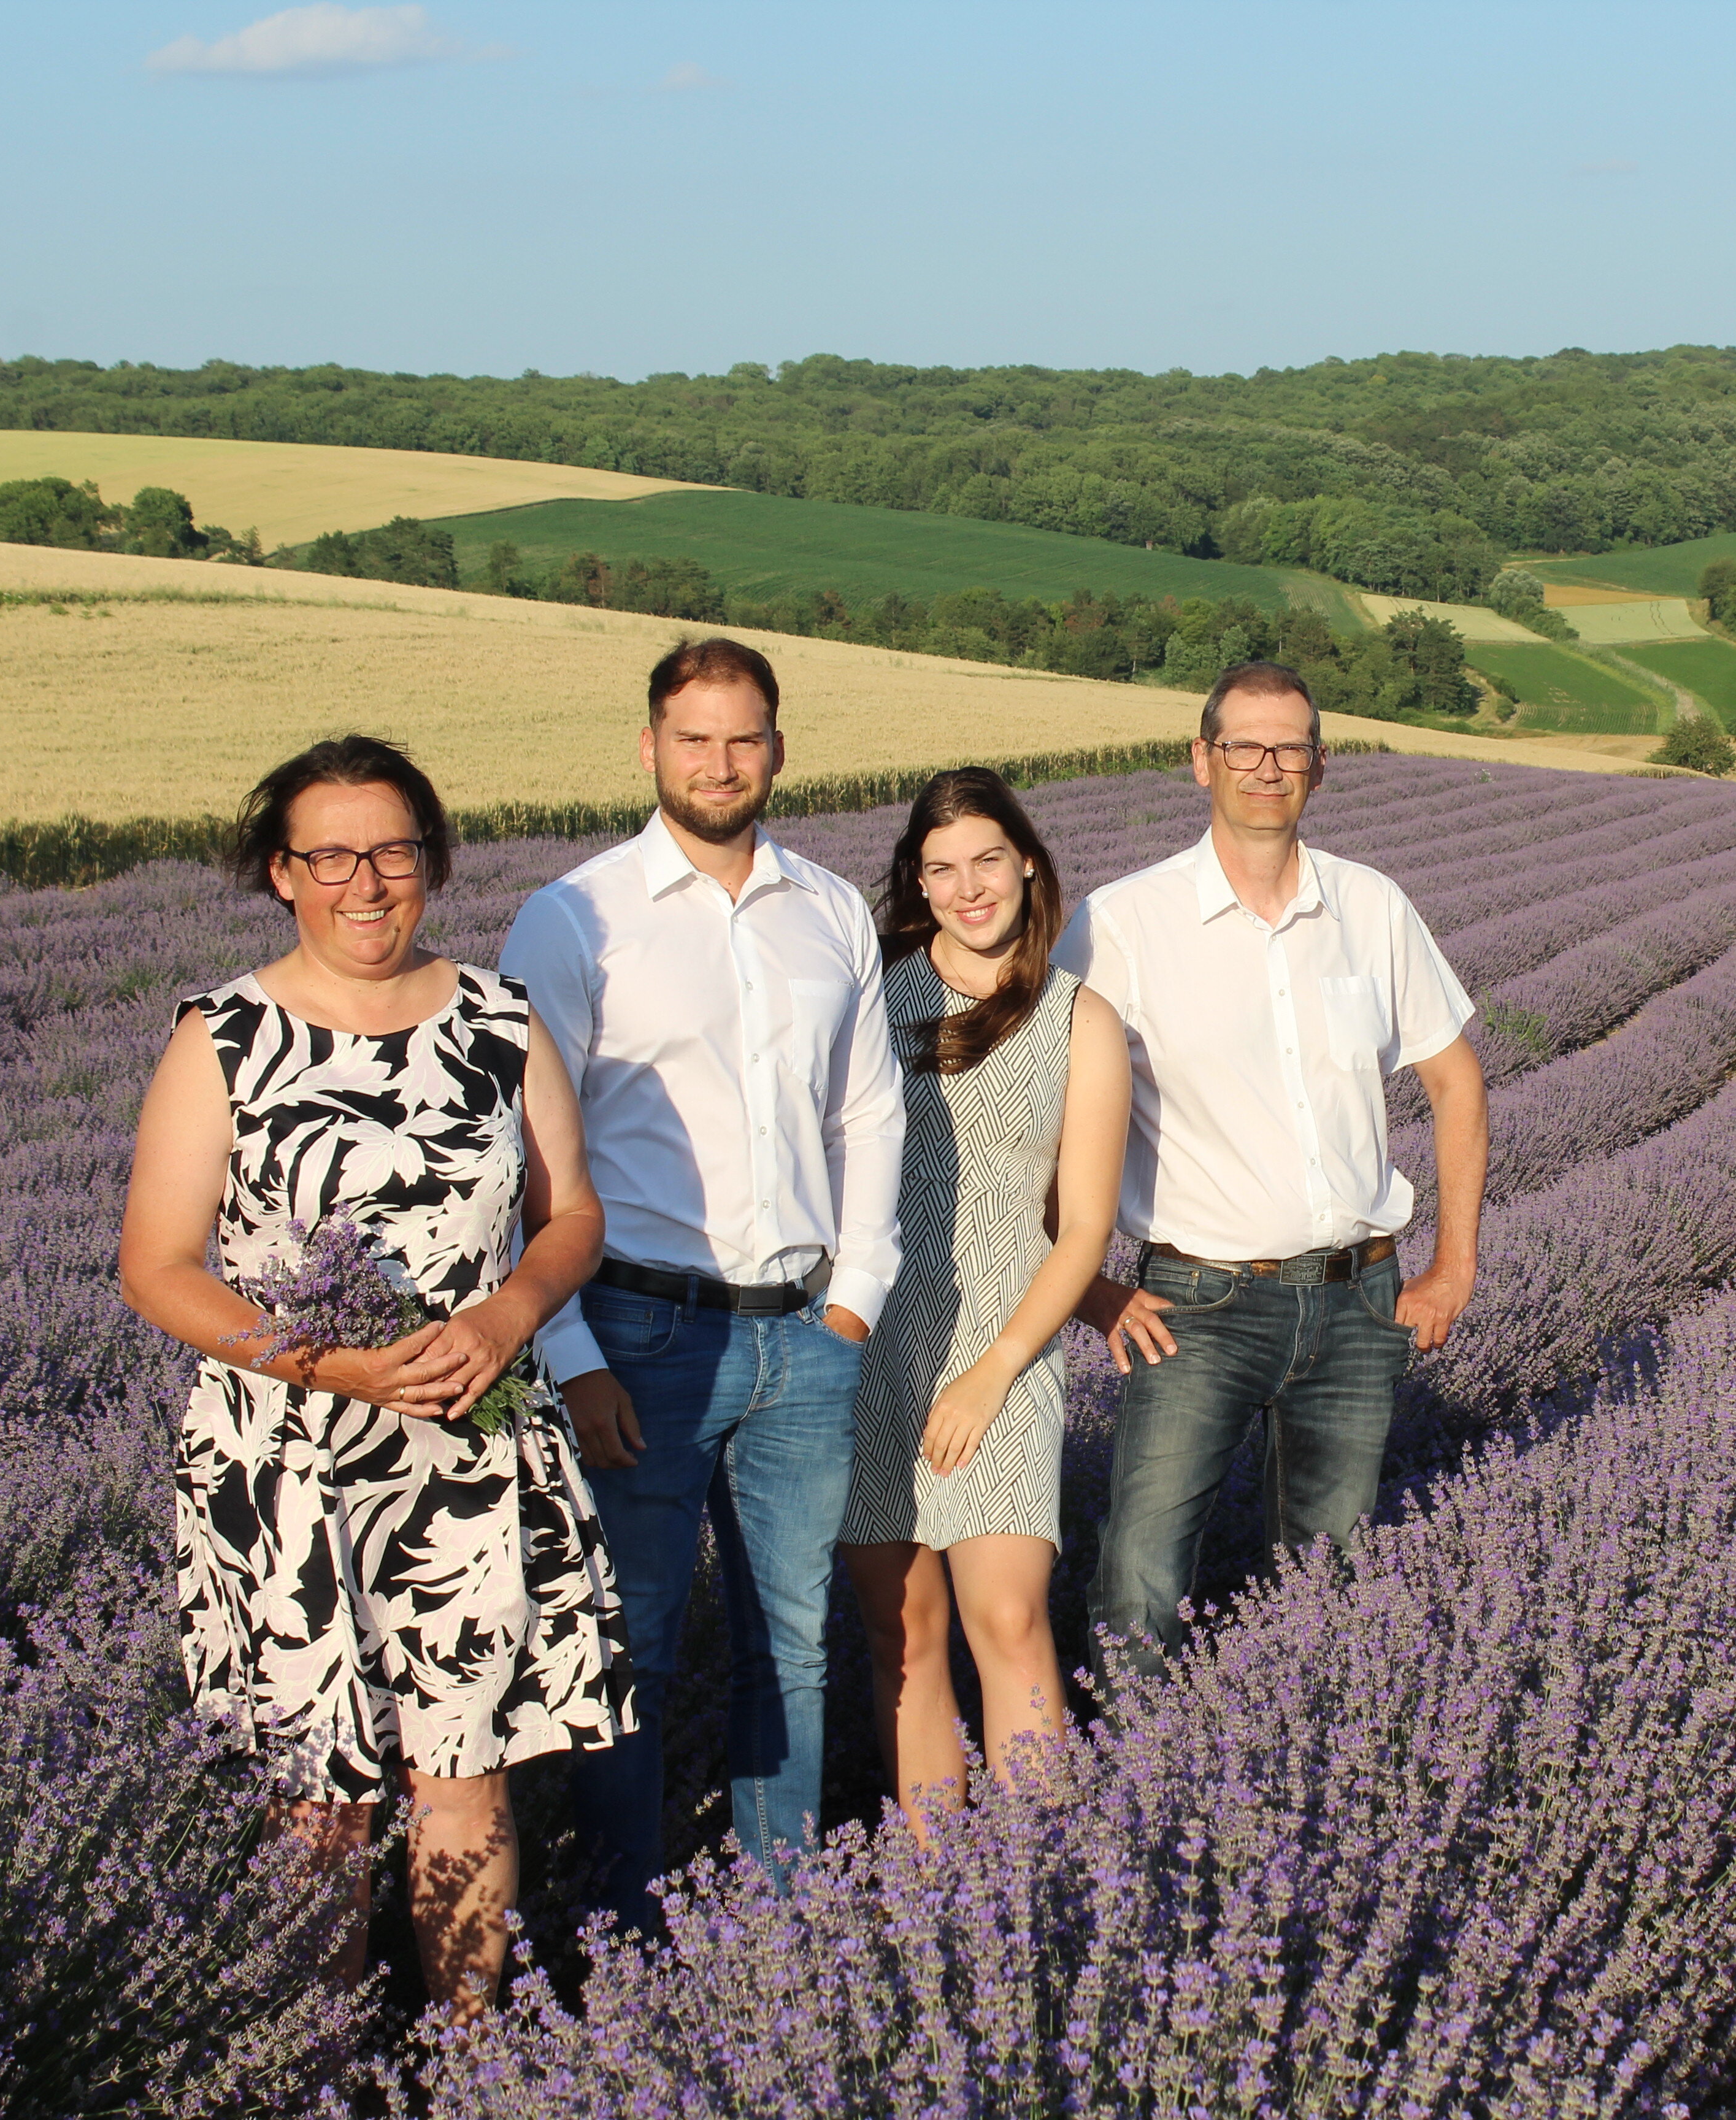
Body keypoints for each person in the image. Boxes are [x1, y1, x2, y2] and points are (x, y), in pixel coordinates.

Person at [118, 734, 629, 2021]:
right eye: (330, 856)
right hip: (285, 1467)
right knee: (322, 1804)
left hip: (472, 1447)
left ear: (431, 863)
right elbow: (158, 1266)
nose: (366, 883)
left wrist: (513, 1313)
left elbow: (572, 1217)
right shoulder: (221, 1036)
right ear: (282, 874)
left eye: (393, 851)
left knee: (468, 1781)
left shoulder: (498, 1022)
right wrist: (331, 1364)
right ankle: (325, 2070)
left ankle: (470, 2060)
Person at [499, 637, 902, 1918]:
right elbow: (526, 1157)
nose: (720, 764)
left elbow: (870, 1114)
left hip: (802, 1336)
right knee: (636, 1645)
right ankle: (625, 1918)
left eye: (744, 739)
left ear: (778, 748)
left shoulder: (831, 909)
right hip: (639, 1330)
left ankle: (775, 1918)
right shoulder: (574, 917)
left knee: (792, 1645)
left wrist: (855, 1301)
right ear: (649, 748)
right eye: (694, 739)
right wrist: (571, 1355)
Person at [1060, 662, 1489, 1688]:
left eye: (1288, 747)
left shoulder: (1372, 906)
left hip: (1357, 1300)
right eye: (1244, 746)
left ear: (1318, 766)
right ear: (1200, 759)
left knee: (1334, 1580)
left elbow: (1458, 1081)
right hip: (1197, 1302)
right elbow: (1047, 1121)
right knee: (1141, 1577)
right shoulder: (1124, 922)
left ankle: (1298, 1779)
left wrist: (1453, 1266)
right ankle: (1138, 1795)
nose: (1266, 766)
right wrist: (1094, 1292)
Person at [836, 769, 1131, 1819]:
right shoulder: (871, 999)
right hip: (873, 1342)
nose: (969, 888)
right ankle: (938, 1888)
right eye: (942, 868)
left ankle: (1034, 1873)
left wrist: (993, 1371)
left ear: (1029, 866)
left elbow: (1085, 1225)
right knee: (902, 1636)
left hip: (1007, 1344)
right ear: (918, 884)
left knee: (1007, 1619)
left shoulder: (1076, 1019)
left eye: (987, 862)